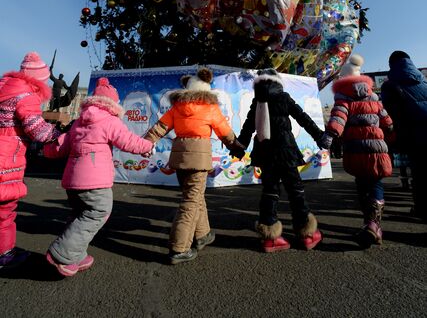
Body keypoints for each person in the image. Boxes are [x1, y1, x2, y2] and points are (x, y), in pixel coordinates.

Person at [43, 77, 153, 277]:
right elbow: (128, 141)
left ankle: (76, 255)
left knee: (79, 215)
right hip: (94, 182)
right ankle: (63, 255)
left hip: (72, 182)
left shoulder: (78, 122)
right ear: (113, 104)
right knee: (98, 211)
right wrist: (148, 146)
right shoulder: (110, 120)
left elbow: (61, 145)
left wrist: (47, 149)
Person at [144, 67, 244, 265]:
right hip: (198, 161)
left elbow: (159, 128)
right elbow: (225, 132)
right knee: (191, 202)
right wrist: (237, 147)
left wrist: (146, 142)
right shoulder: (210, 108)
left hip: (180, 159)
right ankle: (179, 248)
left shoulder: (177, 108)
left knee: (195, 197)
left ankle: (203, 234)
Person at [233, 68, 330, 252]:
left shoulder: (257, 101)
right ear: (277, 82)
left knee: (270, 191)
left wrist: (240, 147)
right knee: (296, 191)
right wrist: (320, 136)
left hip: (265, 153)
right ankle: (307, 235)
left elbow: (248, 127)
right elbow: (303, 118)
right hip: (286, 151)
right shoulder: (284, 98)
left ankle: (270, 237)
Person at [326, 54, 395, 247]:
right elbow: (387, 121)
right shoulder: (374, 98)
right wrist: (389, 132)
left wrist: (330, 134)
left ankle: (369, 223)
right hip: (377, 149)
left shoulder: (343, 97)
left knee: (362, 185)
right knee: (376, 184)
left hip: (356, 149)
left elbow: (338, 118)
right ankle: (374, 225)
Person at [0, 52, 61, 271]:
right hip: (6, 157)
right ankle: (4, 255)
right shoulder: (26, 94)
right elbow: (38, 130)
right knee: (5, 210)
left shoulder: (5, 87)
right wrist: (59, 133)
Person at [381, 51, 427, 221]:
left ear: (391, 64)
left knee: (419, 174)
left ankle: (421, 210)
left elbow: (390, 114)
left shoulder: (390, 85)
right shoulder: (423, 82)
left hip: (414, 136)